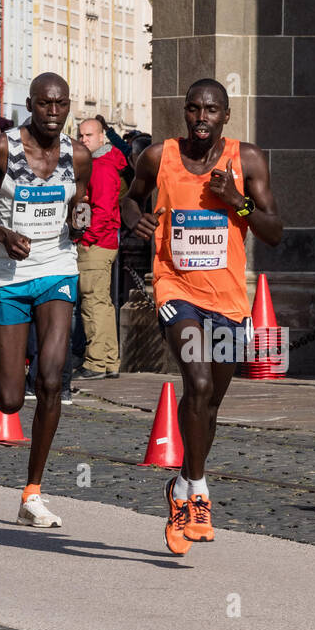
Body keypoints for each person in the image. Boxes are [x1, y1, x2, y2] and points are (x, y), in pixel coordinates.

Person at [121, 78, 282, 554]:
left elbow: (274, 231)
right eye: (194, 109)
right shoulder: (158, 156)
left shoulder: (247, 159)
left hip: (229, 299)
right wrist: (136, 219)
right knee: (199, 383)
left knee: (208, 404)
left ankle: (179, 486)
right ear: (184, 112)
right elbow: (131, 197)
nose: (202, 118)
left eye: (211, 110)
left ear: (225, 116)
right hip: (176, 288)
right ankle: (198, 490)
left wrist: (239, 202)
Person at [0, 73, 92, 528]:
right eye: (45, 105)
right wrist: (2, 233)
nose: (53, 114)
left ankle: (32, 491)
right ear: (30, 105)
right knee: (11, 399)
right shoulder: (3, 149)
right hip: (8, 275)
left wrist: (79, 221)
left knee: (52, 379)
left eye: (61, 105)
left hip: (56, 269)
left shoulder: (79, 155)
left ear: (69, 106)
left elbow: (80, 208)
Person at [72, 117, 127, 380]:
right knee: (102, 304)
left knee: (92, 303)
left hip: (97, 243)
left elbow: (103, 211)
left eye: (89, 135)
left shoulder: (101, 167)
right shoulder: (100, 164)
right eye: (81, 135)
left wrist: (86, 239)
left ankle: (95, 363)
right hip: (102, 241)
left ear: (102, 136)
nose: (84, 140)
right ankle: (108, 360)